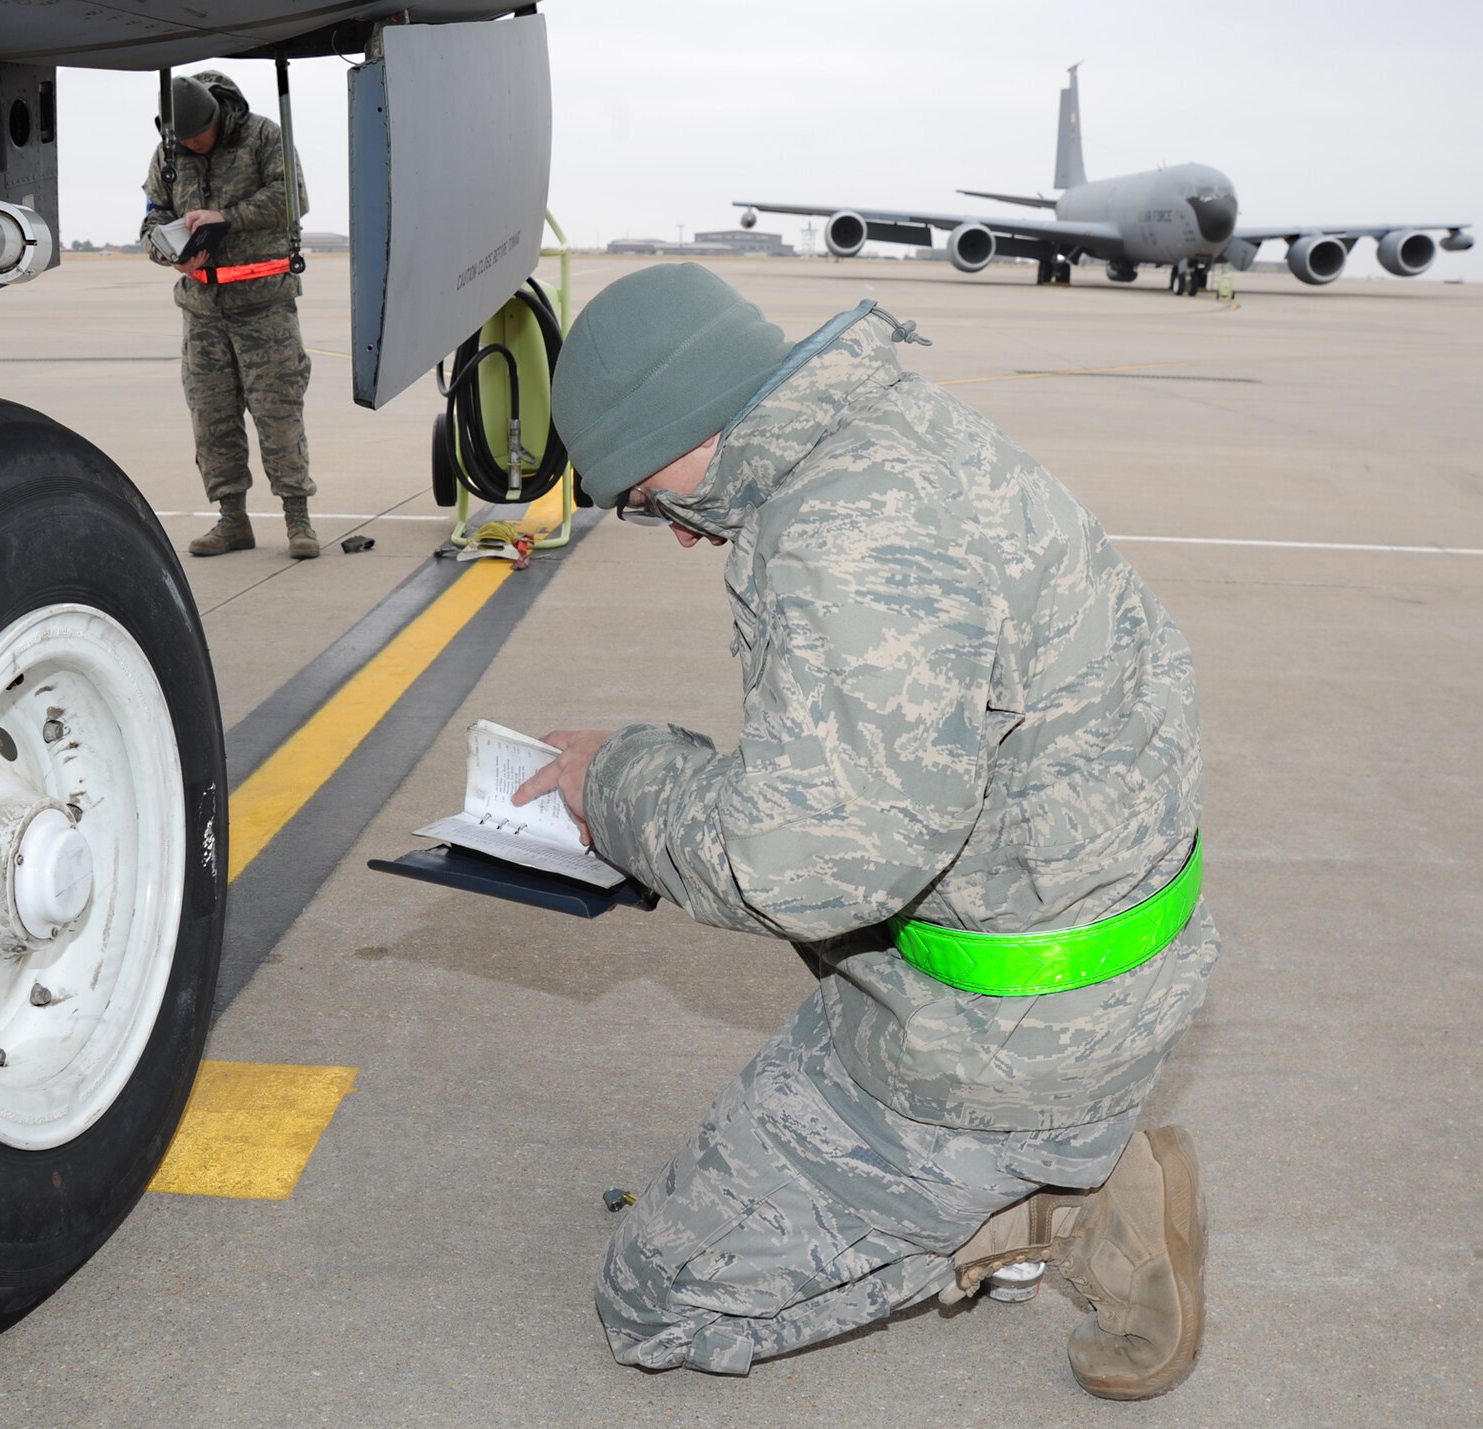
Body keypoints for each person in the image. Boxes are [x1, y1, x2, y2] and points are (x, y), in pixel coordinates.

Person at [512, 264, 1216, 1398]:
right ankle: (1049, 1155)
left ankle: (1054, 1199)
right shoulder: (886, 427)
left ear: (684, 425)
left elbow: (801, 864)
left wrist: (624, 787)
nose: (680, 535)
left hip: (1012, 1039)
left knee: (652, 1298)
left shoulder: (843, 533)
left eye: (649, 502)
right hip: (1064, 952)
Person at [141, 72, 318, 559]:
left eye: (199, 136)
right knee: (212, 421)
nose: (193, 146)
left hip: (265, 306)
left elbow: (294, 199)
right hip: (202, 311)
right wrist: (168, 254)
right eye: (184, 140)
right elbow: (152, 217)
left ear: (218, 118)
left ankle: (298, 518)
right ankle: (232, 519)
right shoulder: (169, 154)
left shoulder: (264, 136)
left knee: (278, 414)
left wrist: (227, 217)